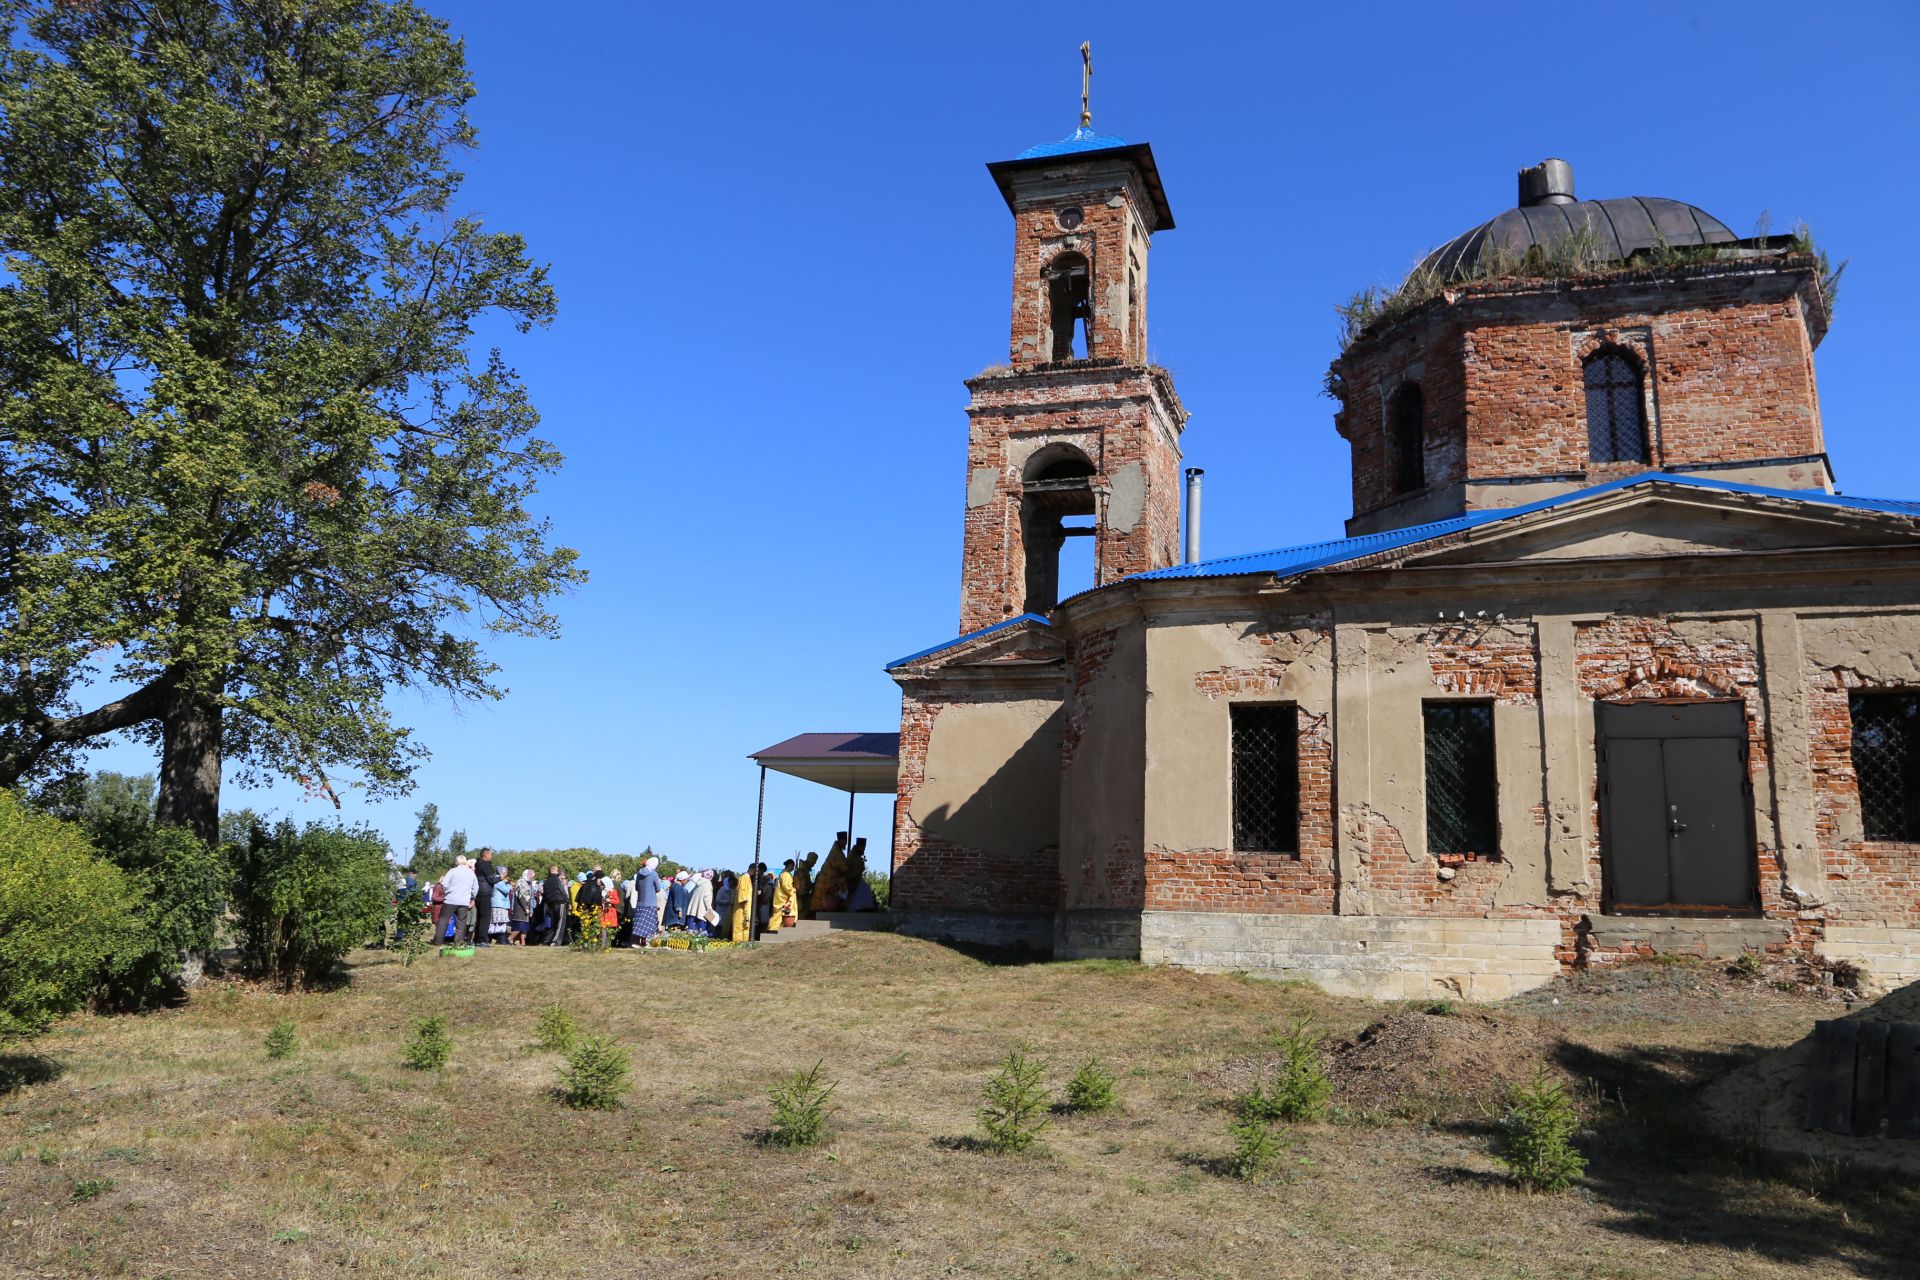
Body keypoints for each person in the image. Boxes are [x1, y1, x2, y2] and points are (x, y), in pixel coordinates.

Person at [439, 855, 478, 945]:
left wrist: (447, 892)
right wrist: (472, 897)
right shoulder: (471, 873)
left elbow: (444, 883)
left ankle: (438, 940)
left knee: (443, 920)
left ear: (456, 862)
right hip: (464, 901)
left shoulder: (452, 871)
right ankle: (458, 942)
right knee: (461, 922)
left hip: (450, 900)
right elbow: (475, 887)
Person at [473, 848, 501, 945]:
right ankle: (482, 940)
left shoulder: (478, 864)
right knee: (485, 917)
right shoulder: (486, 865)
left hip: (478, 892)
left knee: (480, 917)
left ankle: (476, 939)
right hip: (485, 893)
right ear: (485, 855)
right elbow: (491, 880)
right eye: (490, 854)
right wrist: (501, 877)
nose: (491, 856)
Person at [632, 856, 662, 946]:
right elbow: (658, 888)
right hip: (650, 903)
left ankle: (635, 942)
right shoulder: (654, 874)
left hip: (640, 902)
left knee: (639, 923)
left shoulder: (639, 874)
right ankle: (645, 942)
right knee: (649, 924)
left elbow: (637, 888)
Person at [684, 870, 719, 937]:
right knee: (701, 930)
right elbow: (707, 897)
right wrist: (709, 908)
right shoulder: (708, 884)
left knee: (691, 928)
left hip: (693, 908)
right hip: (702, 909)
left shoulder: (698, 882)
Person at [542, 865, 569, 946]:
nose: (558, 872)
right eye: (557, 870)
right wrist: (567, 900)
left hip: (551, 904)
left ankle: (548, 940)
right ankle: (556, 941)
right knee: (560, 923)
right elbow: (562, 890)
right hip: (560, 902)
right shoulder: (557, 879)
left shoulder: (546, 881)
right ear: (553, 870)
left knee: (553, 923)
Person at [771, 858, 799, 930]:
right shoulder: (785, 874)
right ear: (790, 865)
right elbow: (786, 886)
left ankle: (775, 927)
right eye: (793, 866)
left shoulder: (785, 873)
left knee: (781, 913)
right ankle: (773, 928)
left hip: (782, 896)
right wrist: (792, 890)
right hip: (782, 897)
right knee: (780, 913)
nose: (793, 868)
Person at [509, 869, 535, 944]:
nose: (533, 877)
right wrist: (526, 908)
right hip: (520, 908)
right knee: (520, 926)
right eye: (531, 876)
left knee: (524, 927)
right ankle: (510, 938)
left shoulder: (527, 883)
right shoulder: (521, 883)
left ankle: (523, 942)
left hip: (524, 907)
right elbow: (522, 897)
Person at [729, 867, 753, 941]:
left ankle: (744, 940)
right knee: (740, 924)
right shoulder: (744, 877)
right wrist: (744, 900)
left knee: (745, 924)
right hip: (742, 907)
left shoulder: (747, 877)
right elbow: (742, 892)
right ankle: (738, 941)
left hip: (746, 906)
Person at [795, 852, 818, 919]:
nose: (813, 865)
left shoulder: (805, 871)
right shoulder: (802, 871)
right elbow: (803, 885)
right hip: (801, 897)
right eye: (813, 863)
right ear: (810, 862)